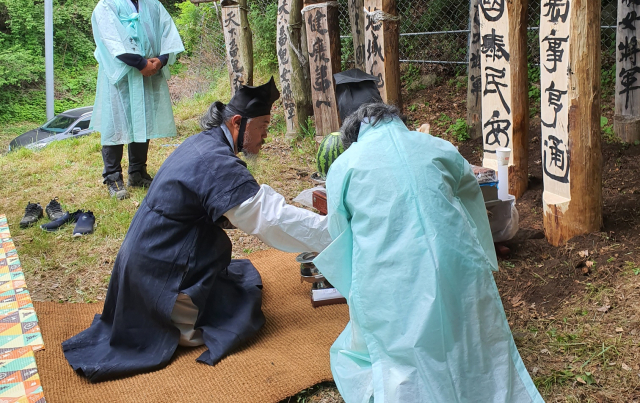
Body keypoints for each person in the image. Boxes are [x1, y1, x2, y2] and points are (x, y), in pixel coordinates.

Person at [62, 78, 331, 382]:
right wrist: (335, 233)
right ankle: (172, 319)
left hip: (142, 267)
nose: (266, 137)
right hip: (160, 278)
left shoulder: (203, 142)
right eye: (264, 126)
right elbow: (273, 220)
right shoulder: (216, 162)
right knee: (240, 314)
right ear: (238, 123)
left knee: (240, 286)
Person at [314, 102, 544, 403]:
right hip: (458, 266)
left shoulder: (345, 165)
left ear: (354, 136)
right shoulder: (436, 146)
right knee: (469, 336)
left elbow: (339, 234)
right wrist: (480, 250)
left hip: (390, 279)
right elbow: (471, 196)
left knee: (398, 350)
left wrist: (355, 283)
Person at [90, 0, 184, 200]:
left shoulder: (152, 5)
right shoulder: (106, 7)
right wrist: (140, 63)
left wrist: (160, 60)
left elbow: (168, 32)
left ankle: (138, 173)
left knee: (143, 121)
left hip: (148, 72)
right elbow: (111, 41)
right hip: (121, 75)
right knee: (116, 124)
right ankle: (113, 178)